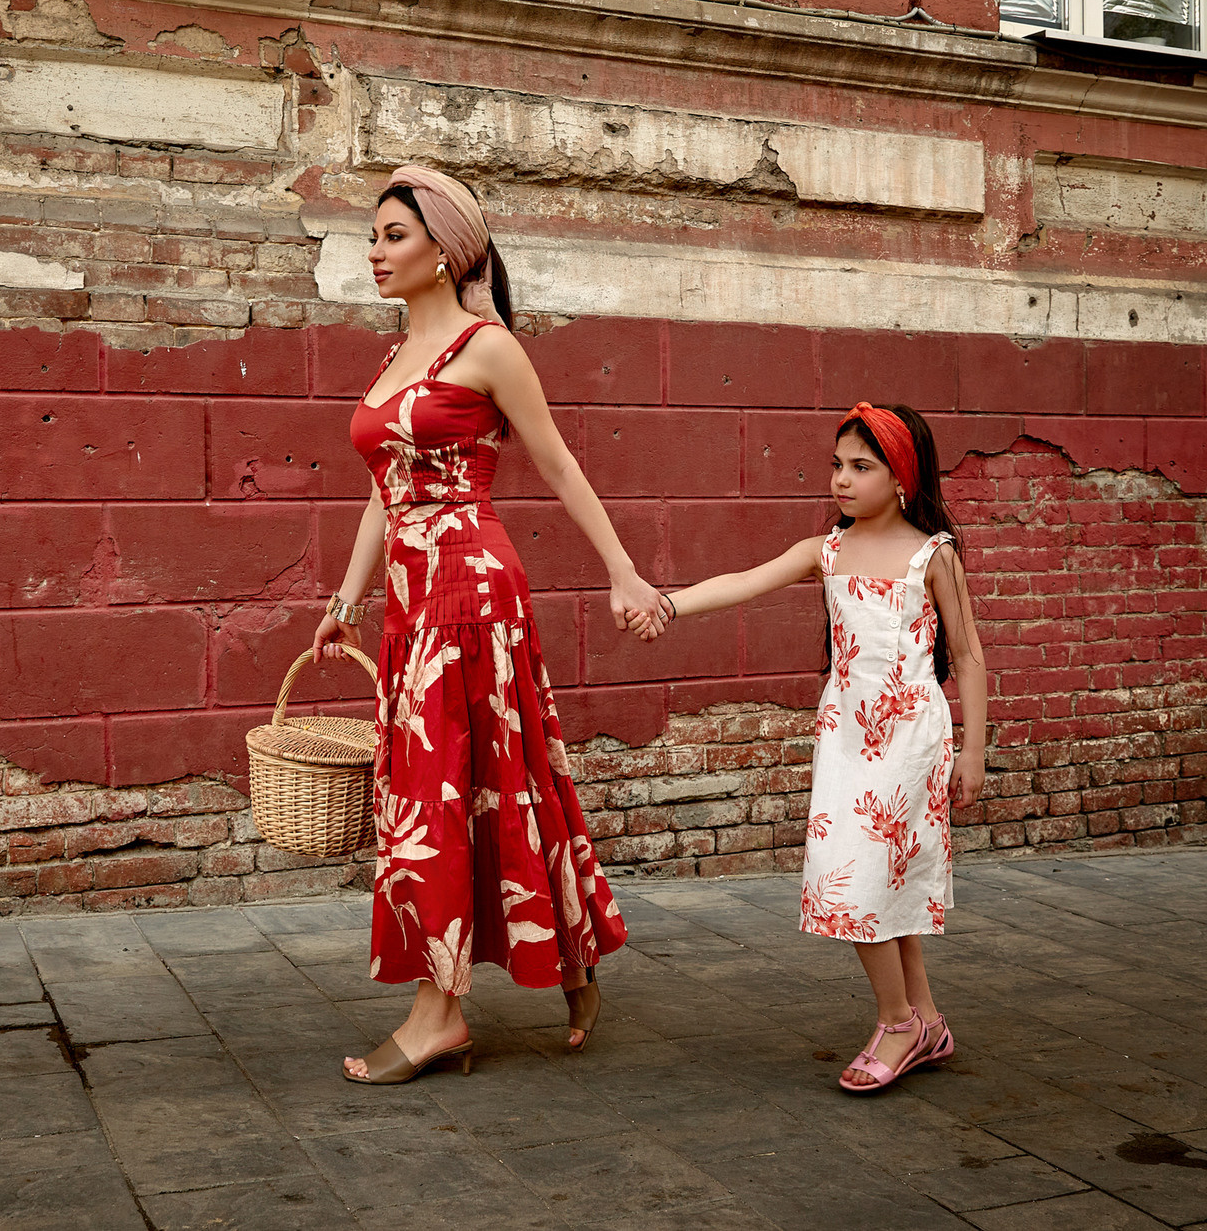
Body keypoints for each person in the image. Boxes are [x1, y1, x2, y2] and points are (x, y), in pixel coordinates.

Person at [313, 164, 666, 1084]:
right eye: (374, 235)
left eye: (394, 236)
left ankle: (439, 1013)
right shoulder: (393, 356)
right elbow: (382, 495)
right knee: (487, 780)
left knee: (443, 791)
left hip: (472, 591)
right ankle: (573, 953)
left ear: (446, 249)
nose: (375, 251)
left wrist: (623, 572)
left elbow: (558, 467)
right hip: (408, 597)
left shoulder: (490, 348)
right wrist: (344, 600)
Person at [636, 402, 986, 1093]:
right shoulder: (825, 551)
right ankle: (926, 1016)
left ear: (902, 476)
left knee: (856, 879)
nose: (842, 480)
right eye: (836, 465)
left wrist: (974, 750)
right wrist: (668, 603)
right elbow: (744, 581)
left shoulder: (932, 554)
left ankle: (896, 1023)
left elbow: (968, 656)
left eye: (861, 466)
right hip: (846, 735)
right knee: (872, 876)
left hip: (911, 738)